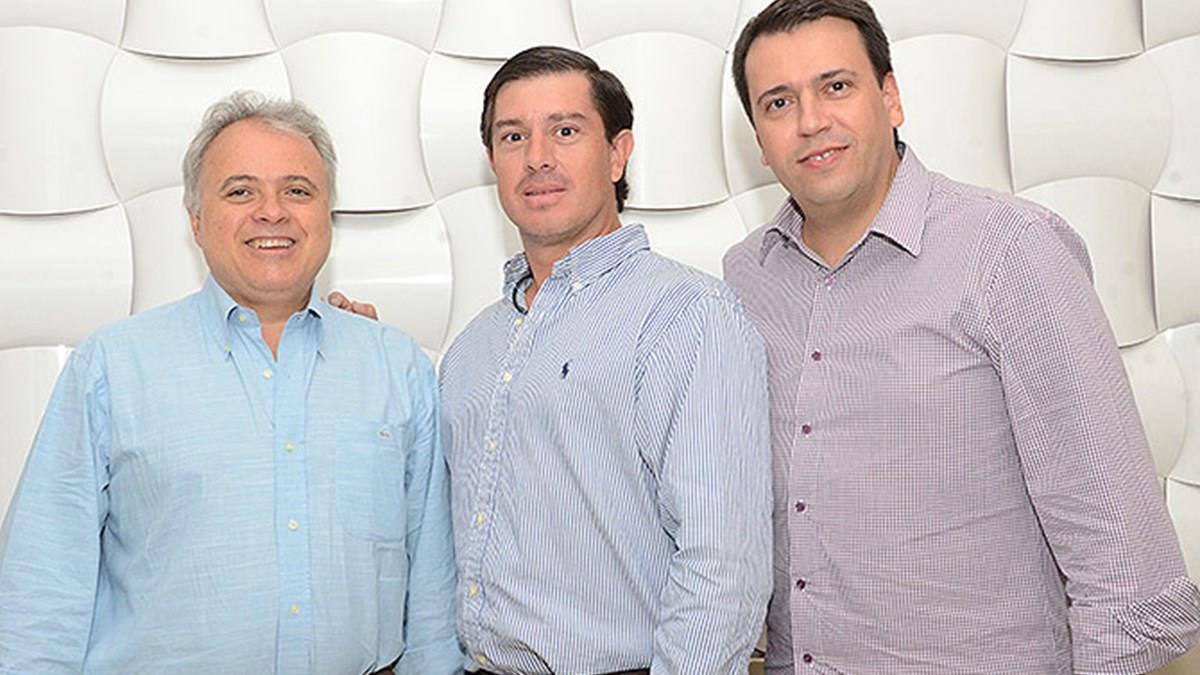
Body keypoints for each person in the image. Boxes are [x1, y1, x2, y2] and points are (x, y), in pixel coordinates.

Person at [722, 1, 1200, 673]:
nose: (810, 121)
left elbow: (1118, 542)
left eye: (836, 86)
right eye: (778, 102)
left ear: (890, 98)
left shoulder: (1010, 251)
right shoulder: (746, 279)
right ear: (759, 137)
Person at [0, 91, 461, 674]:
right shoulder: (112, 368)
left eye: (298, 190)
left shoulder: (398, 368)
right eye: (241, 191)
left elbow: (433, 597)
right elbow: (41, 591)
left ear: (328, 214)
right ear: (196, 220)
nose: (272, 212)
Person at [440, 46, 771, 674]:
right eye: (513, 136)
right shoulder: (471, 351)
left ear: (618, 153)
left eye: (565, 131)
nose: (537, 156)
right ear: (492, 162)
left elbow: (725, 562)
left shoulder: (685, 316)